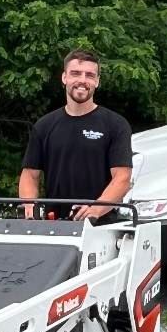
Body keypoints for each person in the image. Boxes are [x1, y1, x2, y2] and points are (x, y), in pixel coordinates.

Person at [19, 49, 133, 221]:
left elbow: (122, 178)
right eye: (75, 73)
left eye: (89, 75)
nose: (82, 80)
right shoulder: (44, 126)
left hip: (101, 227)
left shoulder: (116, 125)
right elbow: (29, 175)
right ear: (64, 78)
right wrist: (29, 208)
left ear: (97, 81)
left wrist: (95, 210)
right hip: (53, 226)